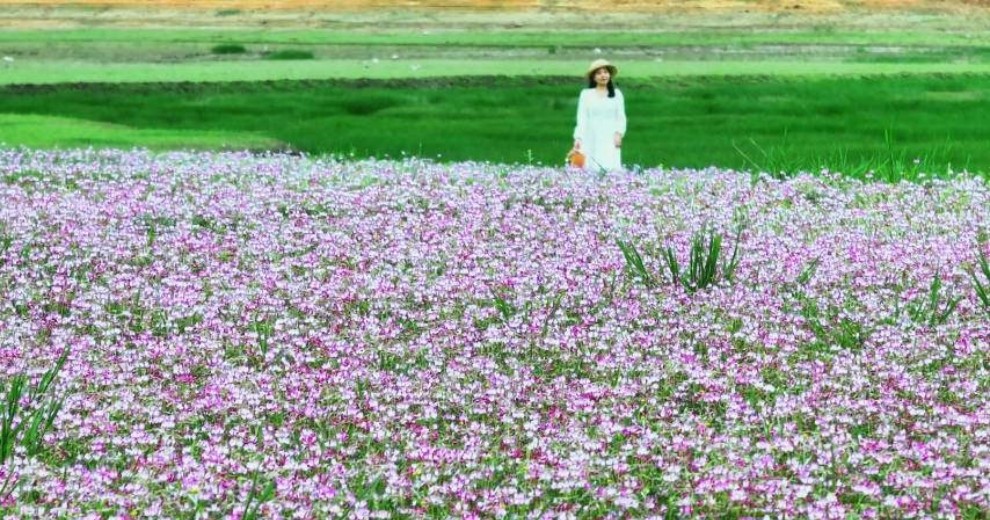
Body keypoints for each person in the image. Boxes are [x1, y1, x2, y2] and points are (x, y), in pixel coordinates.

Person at [572, 59, 627, 172]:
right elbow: (582, 118)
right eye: (599, 73)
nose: (603, 75)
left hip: (610, 135)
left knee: (610, 166)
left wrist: (619, 133)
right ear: (593, 77)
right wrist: (578, 137)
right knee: (590, 166)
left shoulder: (617, 94)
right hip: (590, 134)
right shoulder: (586, 94)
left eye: (605, 72)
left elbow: (621, 117)